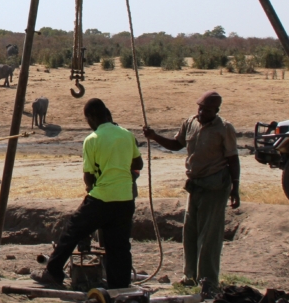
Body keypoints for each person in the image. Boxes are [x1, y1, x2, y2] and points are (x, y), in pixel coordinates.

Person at [32, 98, 144, 289]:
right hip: (125, 199)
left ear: (91, 117)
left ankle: (53, 272)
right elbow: (138, 164)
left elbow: (88, 176)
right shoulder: (127, 135)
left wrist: (92, 189)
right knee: (119, 246)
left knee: (73, 230)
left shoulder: (92, 140)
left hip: (101, 197)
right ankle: (120, 287)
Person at [143, 90, 240, 289]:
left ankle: (208, 280)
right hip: (195, 184)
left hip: (215, 185)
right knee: (191, 232)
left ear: (216, 110)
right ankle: (190, 277)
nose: (202, 112)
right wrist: (154, 136)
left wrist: (235, 188)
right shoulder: (190, 123)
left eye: (207, 110)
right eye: (200, 107)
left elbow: (233, 159)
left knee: (209, 235)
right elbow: (175, 144)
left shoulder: (224, 128)